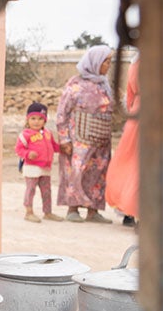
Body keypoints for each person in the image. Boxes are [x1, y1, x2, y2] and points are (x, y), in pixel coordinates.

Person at [56, 45, 115, 223]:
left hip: (101, 138)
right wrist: (64, 138)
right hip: (80, 137)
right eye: (106, 61)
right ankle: (72, 208)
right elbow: (62, 112)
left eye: (110, 61)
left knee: (98, 172)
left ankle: (93, 210)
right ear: (95, 62)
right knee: (77, 170)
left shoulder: (104, 85)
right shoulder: (76, 85)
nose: (109, 65)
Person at [106, 58, 140, 227]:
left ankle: (129, 212)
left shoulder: (136, 63)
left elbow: (130, 96)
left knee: (129, 163)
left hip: (137, 115)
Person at [15, 102, 61, 223]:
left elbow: (54, 146)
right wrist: (27, 154)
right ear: (28, 119)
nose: (36, 121)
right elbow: (18, 149)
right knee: (31, 189)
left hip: (45, 168)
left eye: (40, 118)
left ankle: (48, 212)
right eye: (33, 118)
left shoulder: (47, 133)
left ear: (45, 120)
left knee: (46, 191)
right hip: (31, 167)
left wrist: (63, 148)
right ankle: (29, 212)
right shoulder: (25, 135)